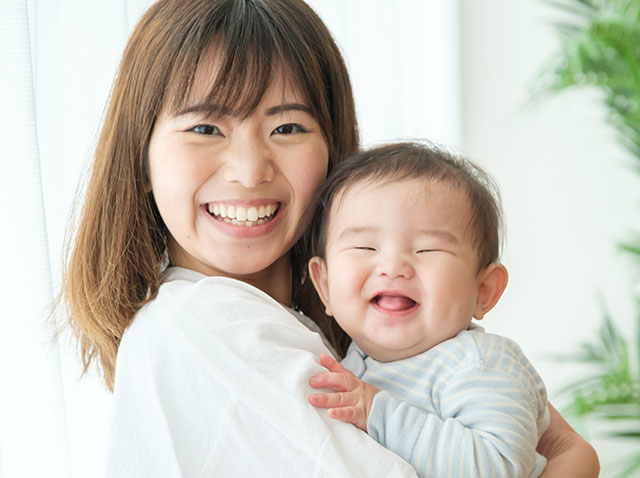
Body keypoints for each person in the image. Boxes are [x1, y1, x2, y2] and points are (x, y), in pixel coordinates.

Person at [57, 0, 599, 476]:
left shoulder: (357, 329)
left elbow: (555, 443)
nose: (249, 169)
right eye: (205, 128)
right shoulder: (209, 325)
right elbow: (563, 452)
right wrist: (575, 460)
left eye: (287, 127)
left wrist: (573, 455)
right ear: (142, 157)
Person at [306, 142, 548, 477]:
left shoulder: (481, 364)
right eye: (365, 246)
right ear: (324, 286)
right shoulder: (351, 362)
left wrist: (378, 412)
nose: (392, 267)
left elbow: (498, 465)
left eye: (427, 249)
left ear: (483, 290)